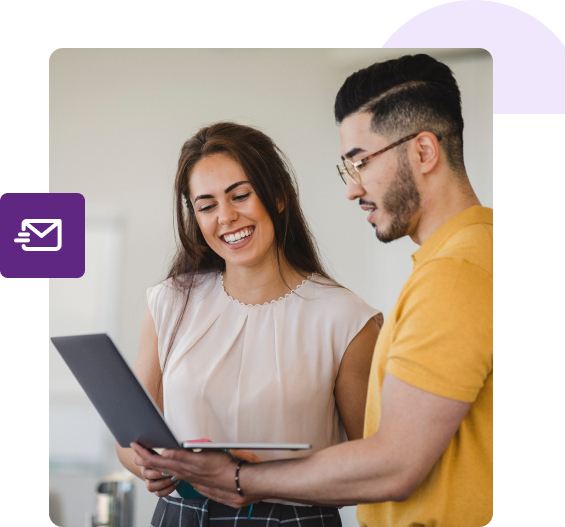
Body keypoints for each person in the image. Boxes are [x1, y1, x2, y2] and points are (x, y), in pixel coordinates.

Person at [131, 54, 494, 527]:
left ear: (424, 152)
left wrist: (242, 479)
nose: (352, 188)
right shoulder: (450, 264)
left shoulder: (455, 272)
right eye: (206, 205)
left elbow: (392, 462)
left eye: (360, 162)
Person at [117, 121, 383, 526]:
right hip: (181, 514)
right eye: (207, 206)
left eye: (240, 195)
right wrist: (147, 466)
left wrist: (257, 480)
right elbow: (128, 438)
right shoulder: (168, 303)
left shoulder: (346, 319)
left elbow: (375, 466)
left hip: (292, 520)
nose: (226, 217)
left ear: (278, 195)